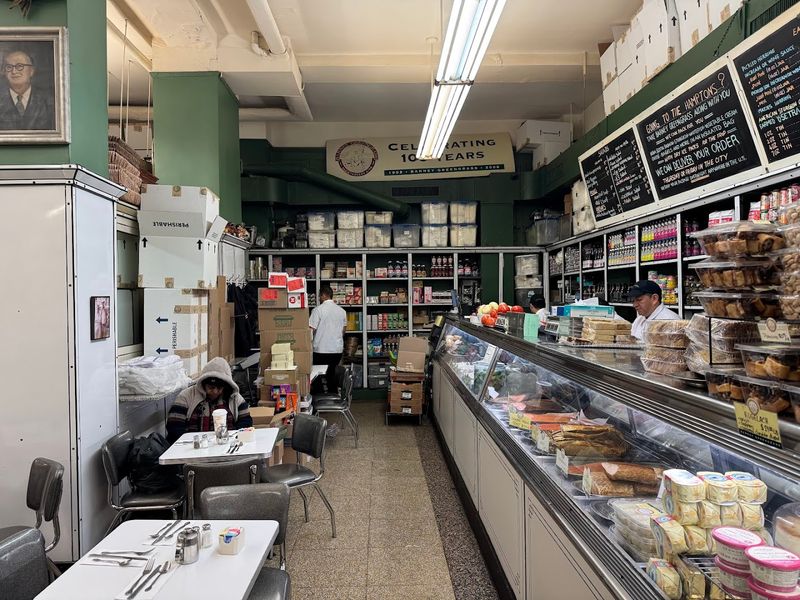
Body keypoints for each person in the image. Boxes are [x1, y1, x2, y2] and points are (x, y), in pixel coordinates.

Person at [166, 357, 252, 443]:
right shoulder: (186, 396)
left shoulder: (235, 398)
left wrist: (234, 437)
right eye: (211, 387)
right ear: (203, 384)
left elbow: (246, 421)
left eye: (219, 388)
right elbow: (174, 425)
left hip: (225, 444)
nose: (215, 392)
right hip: (192, 446)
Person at [0, 50, 54, 130]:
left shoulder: (49, 100)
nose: (14, 71)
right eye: (9, 67)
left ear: (31, 71)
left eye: (19, 66)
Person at [309, 285, 347, 393]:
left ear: (324, 295)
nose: (319, 298)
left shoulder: (317, 310)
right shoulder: (342, 311)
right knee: (332, 374)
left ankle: (319, 397)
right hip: (336, 351)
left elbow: (311, 330)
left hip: (321, 350)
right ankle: (333, 395)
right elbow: (343, 330)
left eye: (320, 296)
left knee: (318, 375)